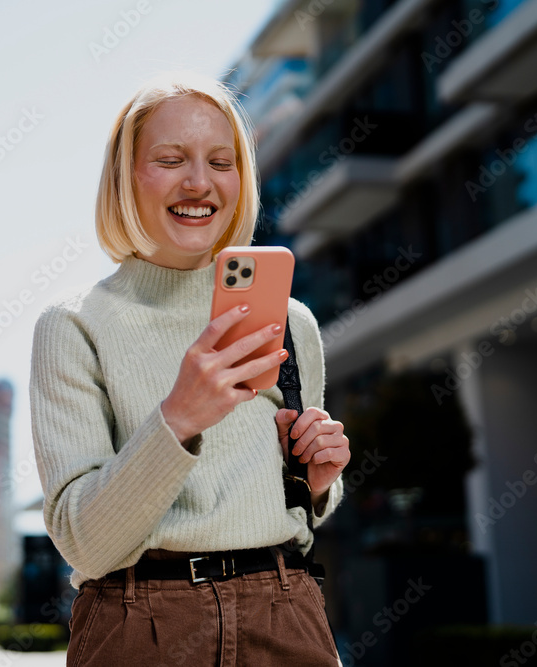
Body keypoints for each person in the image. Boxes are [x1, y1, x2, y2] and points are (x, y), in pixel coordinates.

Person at [29, 70, 351, 666]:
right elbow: (85, 542)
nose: (199, 183)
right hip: (138, 626)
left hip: (286, 615)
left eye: (221, 162)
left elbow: (292, 502)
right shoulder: (73, 327)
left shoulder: (291, 321)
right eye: (171, 159)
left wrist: (318, 478)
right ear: (127, 178)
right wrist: (178, 418)